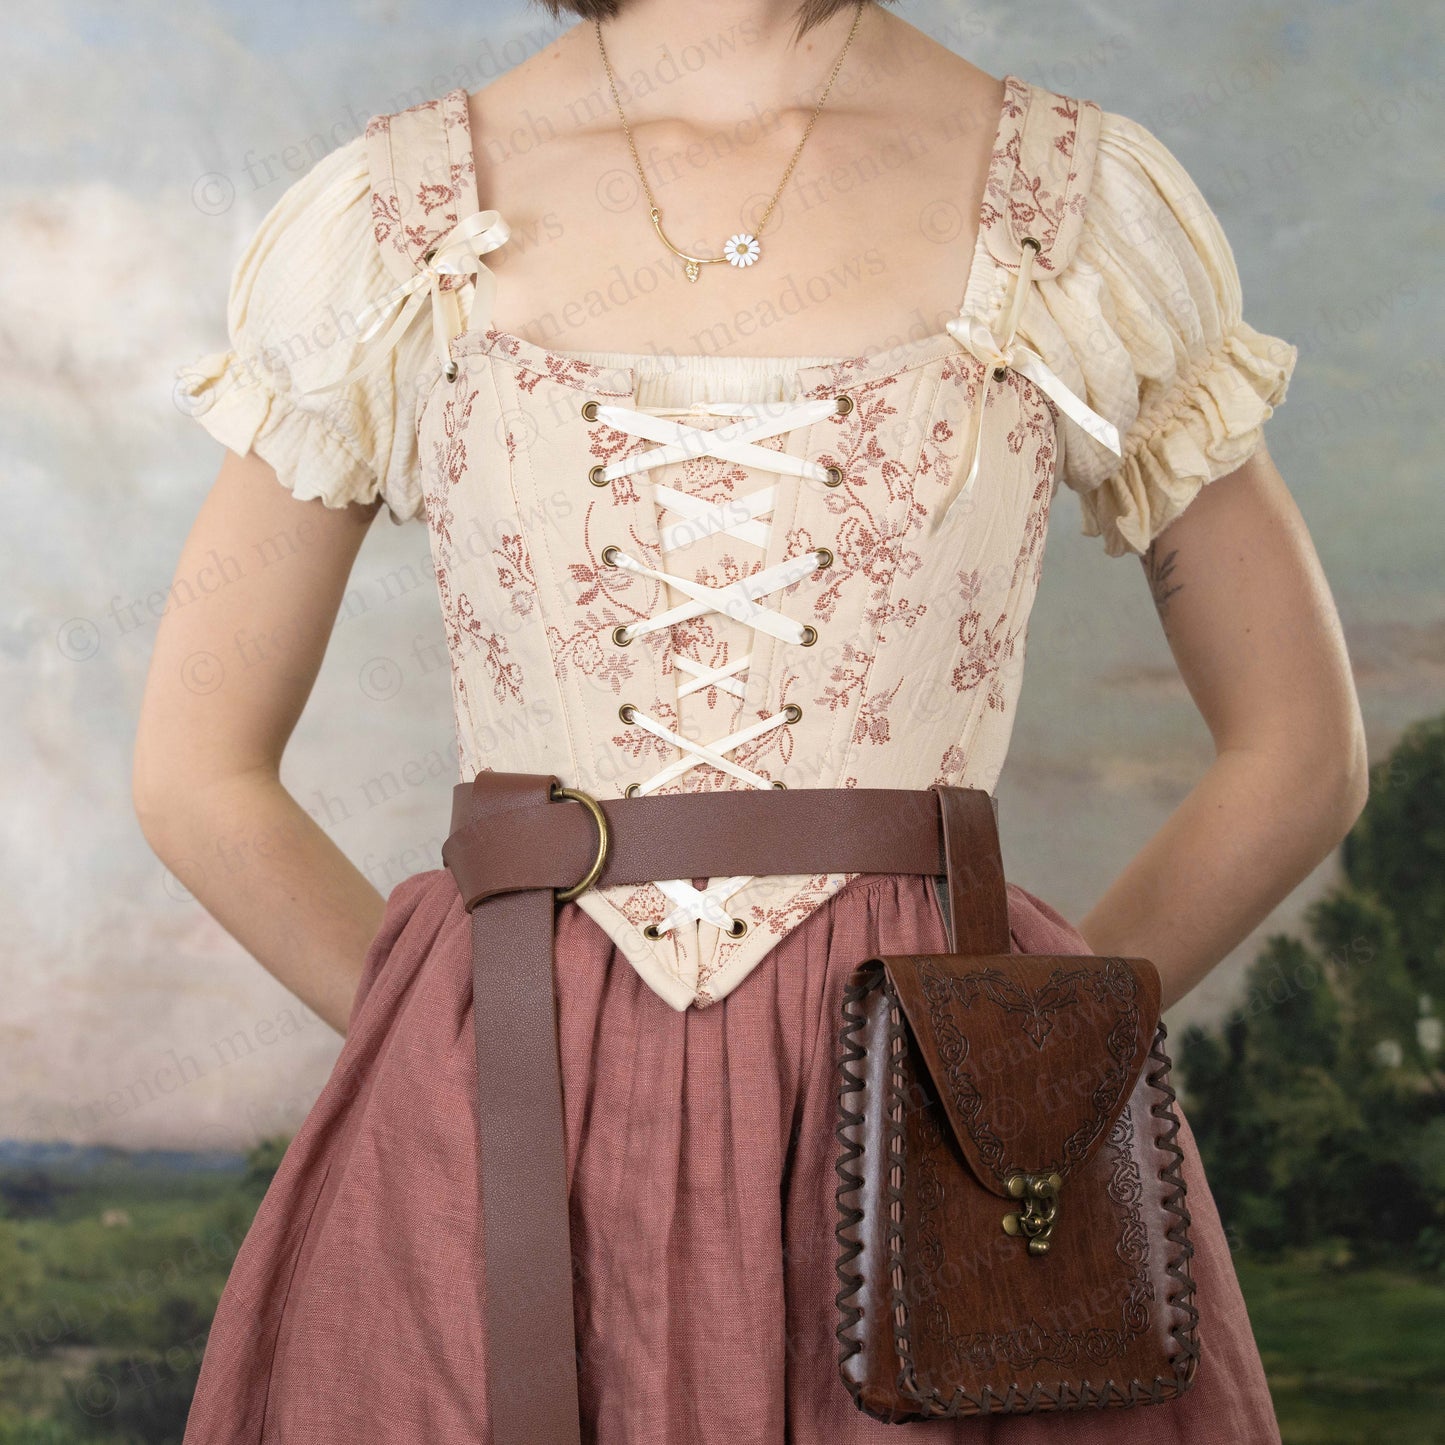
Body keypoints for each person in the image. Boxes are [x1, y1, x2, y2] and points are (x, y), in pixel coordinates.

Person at [134, 0, 1367, 1440]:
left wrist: (1025, 1071)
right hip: (498, 1140)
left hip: (931, 1161)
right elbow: (198, 773)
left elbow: (1296, 752)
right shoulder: (396, 224)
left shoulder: (1068, 208)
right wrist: (454, 1049)